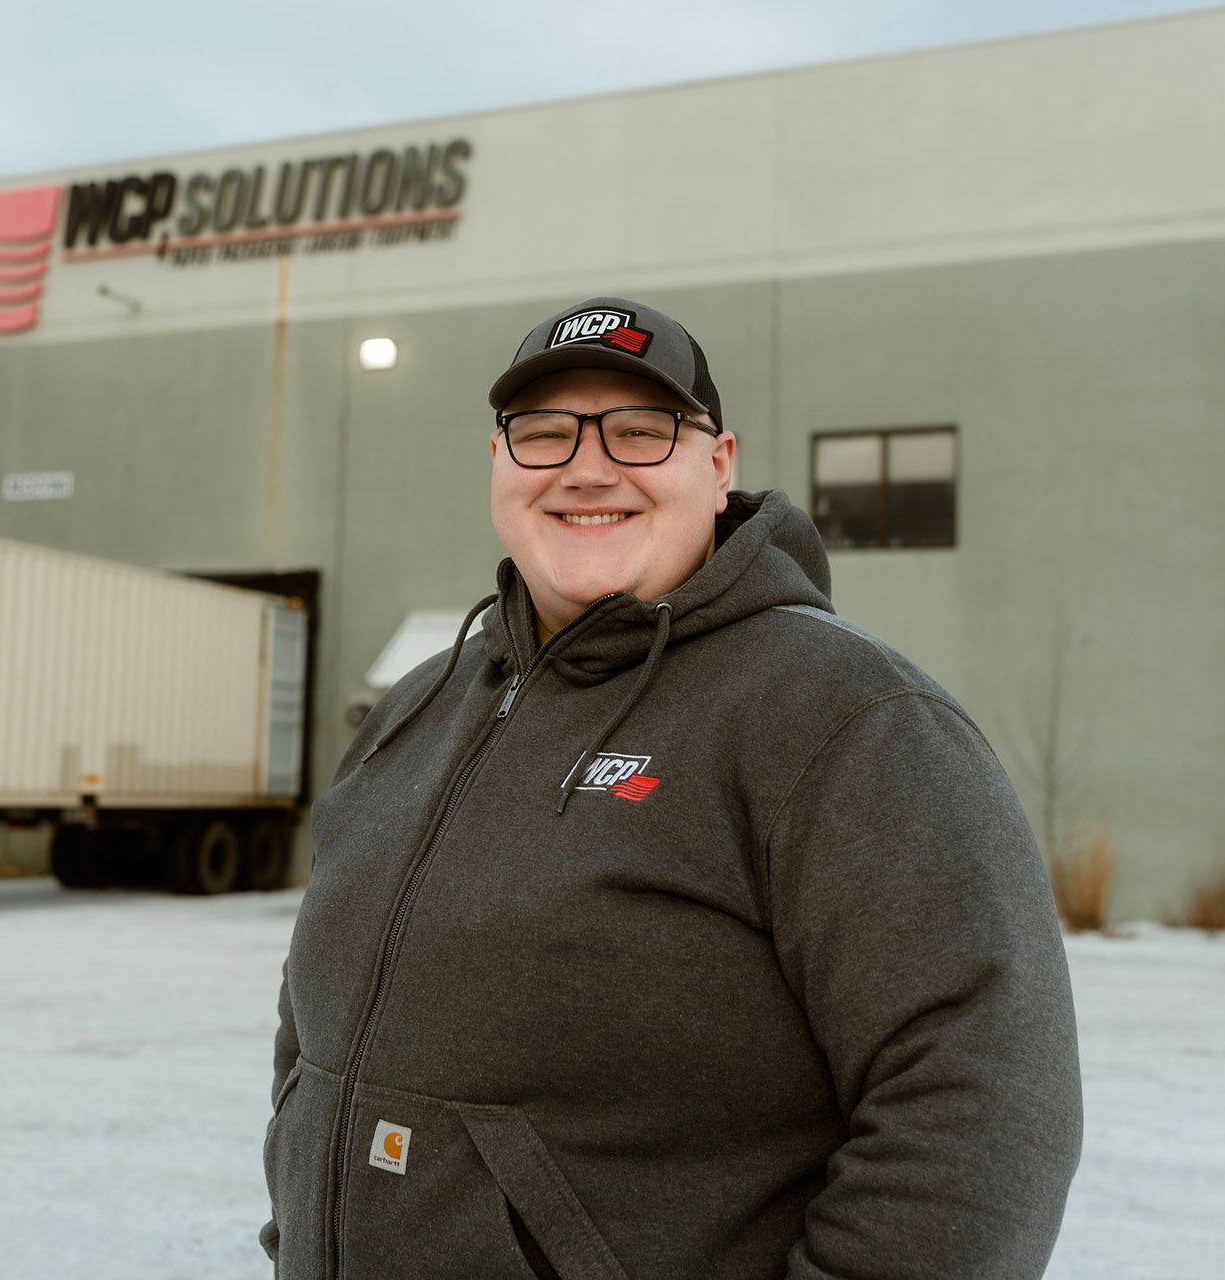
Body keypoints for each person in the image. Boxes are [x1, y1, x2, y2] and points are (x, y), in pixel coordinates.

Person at [261, 296, 1082, 1280]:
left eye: (642, 431)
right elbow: (312, 1036)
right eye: (545, 432)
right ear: (498, 462)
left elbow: (980, 1100)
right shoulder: (421, 704)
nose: (588, 465)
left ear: (720, 462)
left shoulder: (846, 717)